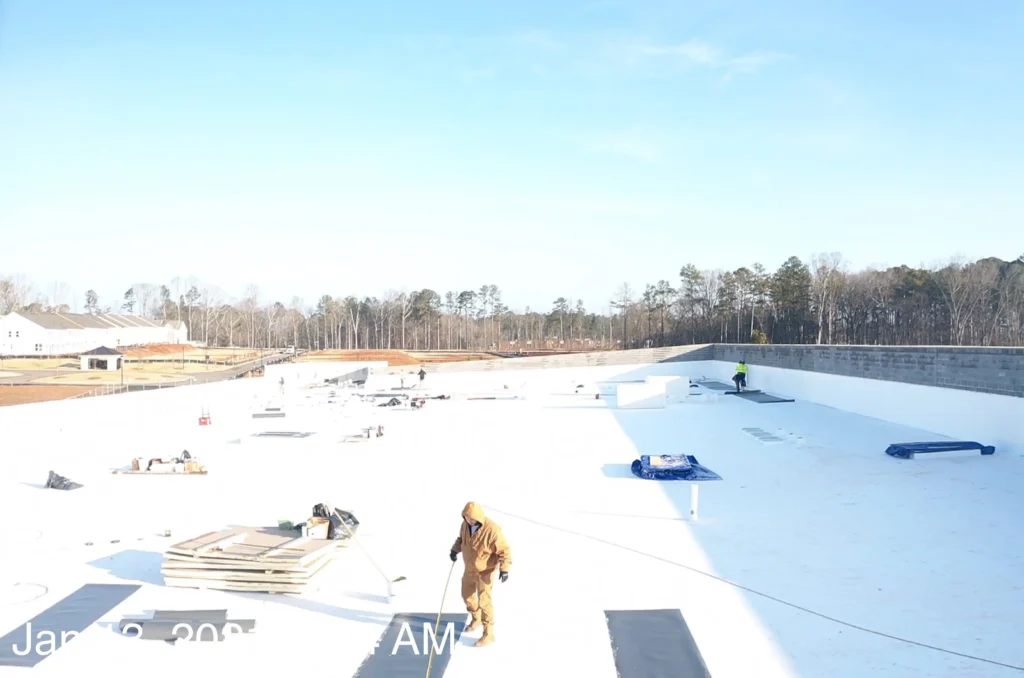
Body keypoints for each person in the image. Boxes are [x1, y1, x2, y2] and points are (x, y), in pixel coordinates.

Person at [449, 502, 511, 647]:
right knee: (467, 595)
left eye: (472, 518)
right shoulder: (465, 525)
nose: (470, 521)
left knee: (484, 601)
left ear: (478, 516)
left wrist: (504, 569)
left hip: (485, 572)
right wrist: (455, 550)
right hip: (469, 569)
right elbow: (461, 539)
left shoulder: (492, 530)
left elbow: (504, 550)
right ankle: (475, 618)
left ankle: (488, 633)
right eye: (467, 517)